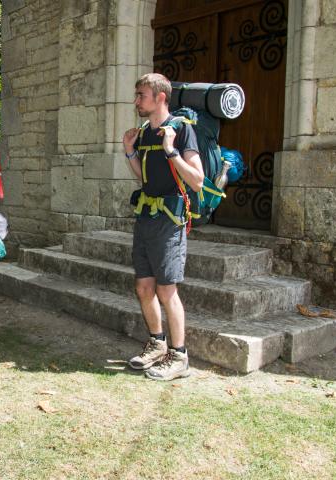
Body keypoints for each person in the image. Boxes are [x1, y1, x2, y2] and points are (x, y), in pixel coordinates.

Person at [122, 73, 204, 381]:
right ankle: (157, 343)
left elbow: (196, 179)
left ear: (160, 98)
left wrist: (171, 150)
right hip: (146, 216)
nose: (136, 101)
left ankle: (179, 356)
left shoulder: (182, 131)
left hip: (169, 220)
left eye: (141, 95)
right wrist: (130, 150)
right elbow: (144, 179)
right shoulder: (143, 132)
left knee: (166, 289)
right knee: (144, 286)